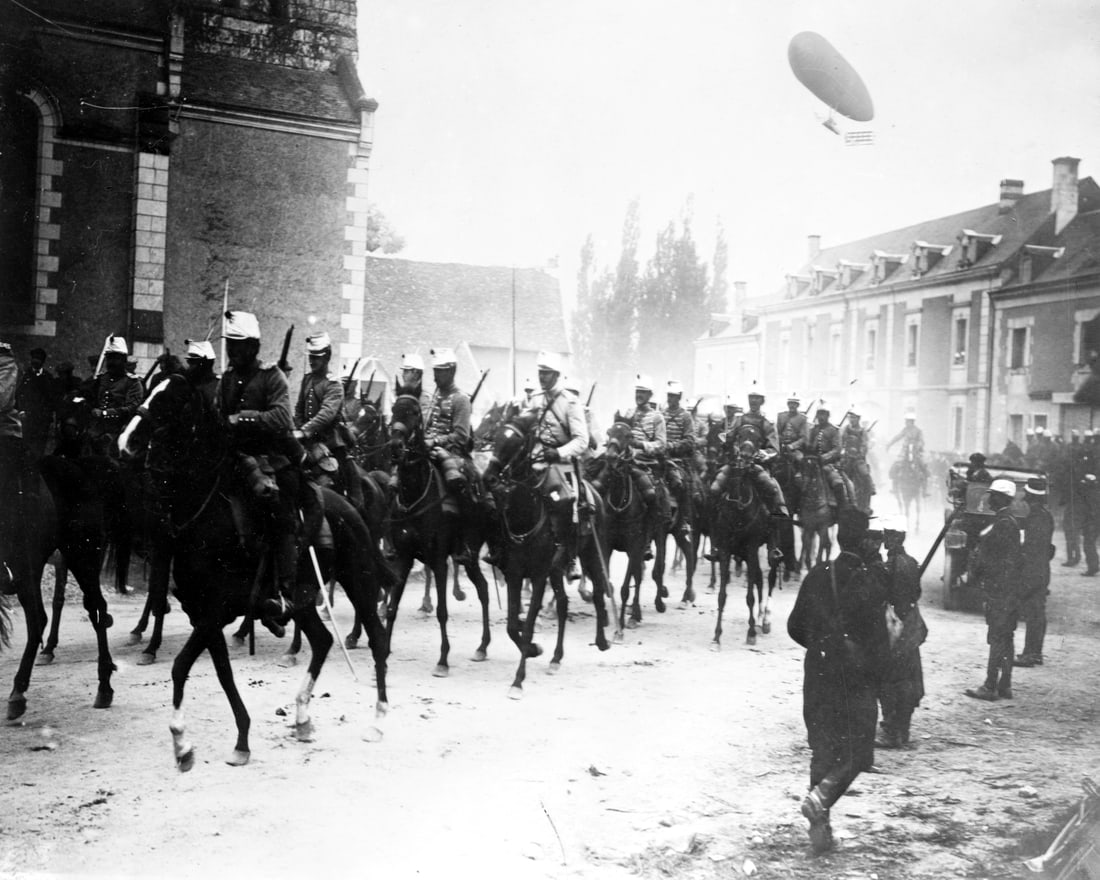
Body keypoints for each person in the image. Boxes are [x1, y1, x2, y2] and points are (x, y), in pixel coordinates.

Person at [788, 508, 889, 855]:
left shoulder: (817, 574)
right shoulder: (869, 580)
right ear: (863, 541)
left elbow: (794, 626)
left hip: (816, 671)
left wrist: (821, 647)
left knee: (822, 748)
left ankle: (820, 831)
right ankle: (824, 795)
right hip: (855, 678)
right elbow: (879, 640)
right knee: (860, 752)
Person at [216, 310, 315, 630]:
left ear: (255, 346)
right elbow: (220, 415)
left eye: (239, 344)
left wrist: (243, 418)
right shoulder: (228, 379)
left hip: (272, 459)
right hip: (235, 459)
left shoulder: (272, 377)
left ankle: (285, 593)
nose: (233, 350)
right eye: (230, 344)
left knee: (279, 516)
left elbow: (282, 419)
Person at [514, 351, 590, 576]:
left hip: (560, 467)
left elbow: (582, 441)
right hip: (533, 463)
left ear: (557, 374)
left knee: (569, 504)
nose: (542, 377)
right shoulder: (535, 398)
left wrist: (558, 453)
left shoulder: (570, 401)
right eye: (540, 372)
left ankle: (571, 557)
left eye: (546, 373)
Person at [965, 478, 1023, 701]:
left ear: (1001, 498)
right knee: (1006, 637)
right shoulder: (1009, 521)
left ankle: (990, 686)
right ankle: (1004, 685)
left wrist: (977, 572)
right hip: (1008, 590)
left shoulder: (1003, 524)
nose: (988, 499)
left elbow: (993, 559)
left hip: (1000, 590)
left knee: (997, 637)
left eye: (992, 495)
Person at [293, 331, 362, 509]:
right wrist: (300, 429)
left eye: (317, 357)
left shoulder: (333, 384)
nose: (312, 361)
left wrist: (305, 430)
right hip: (306, 442)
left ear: (327, 357)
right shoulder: (307, 379)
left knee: (344, 478)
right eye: (311, 356)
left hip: (330, 442)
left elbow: (326, 414)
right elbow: (299, 408)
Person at [422, 347, 478, 563]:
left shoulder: (461, 399)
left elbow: (461, 436)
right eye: (435, 371)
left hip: (454, 454)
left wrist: (435, 441)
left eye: (441, 371)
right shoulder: (434, 396)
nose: (436, 375)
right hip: (429, 450)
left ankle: (464, 541)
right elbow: (427, 426)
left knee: (459, 484)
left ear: (452, 371)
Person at [876, 516, 927, 749]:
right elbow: (916, 593)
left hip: (894, 627)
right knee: (908, 679)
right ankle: (902, 730)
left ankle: (890, 730)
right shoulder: (911, 562)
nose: (884, 539)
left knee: (890, 680)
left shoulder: (889, 566)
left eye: (888, 534)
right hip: (910, 626)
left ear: (896, 537)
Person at [1015, 477, 1055, 667]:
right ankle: (1035, 653)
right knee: (1037, 612)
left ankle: (1030, 654)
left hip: (1033, 570)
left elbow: (1033, 548)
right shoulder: (1045, 516)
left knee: (1033, 612)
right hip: (1041, 569)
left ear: (1031, 497)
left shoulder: (1036, 517)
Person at [84, 335, 144, 458]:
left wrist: (105, 413)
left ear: (123, 360)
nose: (111, 362)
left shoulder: (133, 383)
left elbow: (131, 409)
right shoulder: (101, 379)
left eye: (115, 358)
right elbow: (91, 400)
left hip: (119, 431)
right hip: (95, 431)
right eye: (109, 358)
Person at [662, 379, 696, 536]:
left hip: (678, 460)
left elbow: (690, 440)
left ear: (679, 396)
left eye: (674, 396)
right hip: (660, 457)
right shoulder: (661, 414)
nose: (670, 399)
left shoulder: (686, 417)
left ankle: (684, 520)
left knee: (681, 484)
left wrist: (672, 446)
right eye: (669, 395)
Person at [15, 347, 57, 459]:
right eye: (34, 360)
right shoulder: (25, 376)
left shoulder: (48, 378)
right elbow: (18, 394)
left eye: (38, 360)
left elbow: (51, 399)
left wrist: (47, 415)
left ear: (42, 362)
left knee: (39, 448)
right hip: (27, 417)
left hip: (42, 419)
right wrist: (21, 410)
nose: (35, 363)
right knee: (25, 445)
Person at [806, 404, 850, 509]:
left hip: (828, 464)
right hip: (812, 464)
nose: (821, 417)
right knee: (798, 481)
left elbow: (837, 449)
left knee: (838, 483)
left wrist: (824, 457)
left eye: (823, 414)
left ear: (828, 415)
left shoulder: (834, 430)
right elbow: (808, 446)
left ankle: (841, 512)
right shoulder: (813, 430)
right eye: (819, 414)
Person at [886, 412, 930, 497]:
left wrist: (918, 446)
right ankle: (894, 488)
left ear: (912, 421)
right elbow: (897, 437)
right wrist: (890, 443)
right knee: (895, 466)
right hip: (905, 451)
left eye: (908, 421)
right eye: (906, 421)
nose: (906, 422)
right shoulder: (905, 430)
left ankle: (924, 491)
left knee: (924, 468)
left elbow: (921, 441)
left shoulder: (918, 431)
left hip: (916, 452)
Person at [840, 407, 875, 508]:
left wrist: (859, 454)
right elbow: (841, 441)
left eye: (854, 417)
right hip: (846, 458)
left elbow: (864, 445)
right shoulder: (846, 429)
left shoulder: (862, 431)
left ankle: (868, 502)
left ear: (858, 419)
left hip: (858, 459)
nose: (851, 419)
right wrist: (842, 452)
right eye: (850, 417)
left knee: (865, 475)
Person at [777, 394, 809, 468]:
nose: (792, 406)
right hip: (781, 447)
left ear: (798, 405)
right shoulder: (781, 416)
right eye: (790, 403)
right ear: (788, 404)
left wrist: (792, 446)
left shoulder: (802, 418)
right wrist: (780, 444)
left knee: (800, 459)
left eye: (794, 404)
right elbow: (777, 433)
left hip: (795, 449)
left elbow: (804, 438)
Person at [1079, 473, 1100, 577]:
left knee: (1088, 545)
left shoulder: (1090, 494)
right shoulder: (1095, 493)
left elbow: (1091, 511)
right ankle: (1094, 566)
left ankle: (1092, 568)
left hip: (1091, 523)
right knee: (1090, 545)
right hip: (1094, 522)